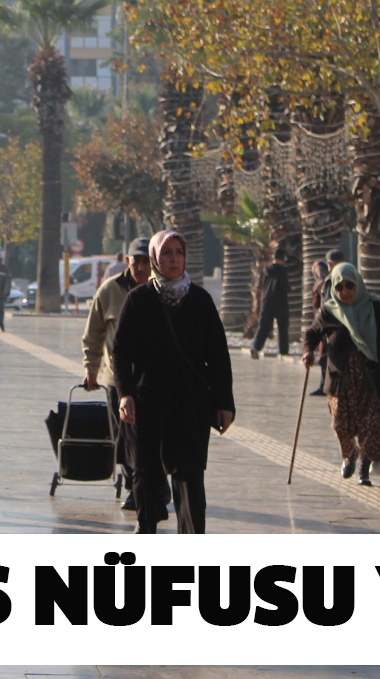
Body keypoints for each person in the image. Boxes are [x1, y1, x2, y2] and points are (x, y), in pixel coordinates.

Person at [110, 229, 235, 534]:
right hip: (147, 402)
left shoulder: (200, 301)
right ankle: (148, 526)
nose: (174, 259)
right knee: (146, 472)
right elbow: (121, 351)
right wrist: (124, 394)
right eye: (166, 253)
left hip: (189, 402)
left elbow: (218, 355)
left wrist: (224, 403)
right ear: (155, 258)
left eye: (179, 252)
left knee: (190, 474)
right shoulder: (139, 300)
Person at [303, 261, 380, 486]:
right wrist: (308, 352)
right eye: (339, 287)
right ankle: (350, 454)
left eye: (349, 285)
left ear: (358, 284)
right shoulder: (329, 311)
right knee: (341, 425)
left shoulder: (371, 306)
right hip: (340, 382)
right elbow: (312, 333)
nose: (345, 292)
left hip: (371, 378)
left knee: (371, 424)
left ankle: (364, 468)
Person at [82, 236, 152, 510]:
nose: (142, 267)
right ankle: (135, 487)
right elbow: (94, 333)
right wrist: (91, 369)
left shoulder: (163, 291)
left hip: (153, 379)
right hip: (118, 380)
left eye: (147, 261)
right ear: (128, 262)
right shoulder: (109, 291)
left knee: (151, 436)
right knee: (126, 435)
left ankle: (154, 484)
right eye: (137, 261)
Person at [306, 251, 347, 396]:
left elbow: (328, 304)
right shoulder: (347, 277)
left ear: (329, 264)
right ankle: (326, 385)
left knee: (326, 357)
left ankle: (328, 386)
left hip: (331, 327)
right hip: (332, 326)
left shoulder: (331, 280)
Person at [250, 242, 292, 359]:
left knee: (263, 326)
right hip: (280, 303)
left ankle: (256, 347)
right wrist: (290, 288)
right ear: (283, 258)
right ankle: (283, 351)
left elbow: (260, 286)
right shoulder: (282, 270)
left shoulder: (265, 270)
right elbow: (285, 286)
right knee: (282, 327)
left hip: (266, 302)